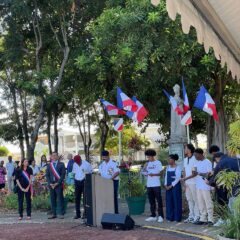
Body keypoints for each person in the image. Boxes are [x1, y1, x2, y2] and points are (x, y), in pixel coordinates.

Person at [194, 148, 214, 226]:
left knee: (208, 202)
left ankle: (210, 219)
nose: (195, 156)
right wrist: (195, 172)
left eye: (196, 155)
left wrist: (199, 173)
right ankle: (203, 219)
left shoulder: (207, 162)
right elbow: (195, 172)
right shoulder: (197, 162)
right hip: (198, 185)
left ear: (200, 154)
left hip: (206, 185)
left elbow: (209, 174)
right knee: (200, 203)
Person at [143, 149, 164, 223]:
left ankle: (161, 216)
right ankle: (153, 215)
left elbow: (161, 173)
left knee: (159, 201)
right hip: (149, 185)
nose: (148, 158)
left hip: (156, 184)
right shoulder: (147, 164)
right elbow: (144, 172)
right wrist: (145, 168)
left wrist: (154, 174)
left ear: (152, 156)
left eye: (149, 157)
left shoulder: (158, 163)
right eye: (147, 157)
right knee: (151, 201)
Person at [182, 144, 200, 223]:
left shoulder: (195, 159)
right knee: (189, 199)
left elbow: (195, 173)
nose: (184, 150)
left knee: (196, 199)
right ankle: (191, 216)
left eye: (185, 148)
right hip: (187, 183)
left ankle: (197, 216)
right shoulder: (185, 159)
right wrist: (184, 182)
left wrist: (184, 179)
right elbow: (185, 171)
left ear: (189, 150)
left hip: (194, 182)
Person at [46, 152, 66, 219]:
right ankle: (54, 214)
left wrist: (58, 183)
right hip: (51, 185)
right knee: (52, 199)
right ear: (51, 157)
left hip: (58, 184)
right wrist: (50, 183)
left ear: (57, 156)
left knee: (60, 199)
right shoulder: (49, 165)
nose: (54, 157)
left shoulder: (61, 164)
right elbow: (47, 175)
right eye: (53, 155)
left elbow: (63, 175)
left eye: (55, 155)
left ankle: (61, 213)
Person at [72, 155, 92, 219]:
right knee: (77, 198)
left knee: (85, 199)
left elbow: (90, 173)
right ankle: (78, 214)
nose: (77, 163)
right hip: (77, 181)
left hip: (84, 181)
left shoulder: (87, 164)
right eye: (76, 162)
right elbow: (74, 173)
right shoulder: (74, 164)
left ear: (81, 159)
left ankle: (85, 214)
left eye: (78, 162)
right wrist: (73, 182)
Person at [164, 154, 182, 222]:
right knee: (169, 202)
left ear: (173, 160)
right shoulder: (168, 167)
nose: (168, 160)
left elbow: (177, 178)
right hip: (168, 187)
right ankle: (169, 217)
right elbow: (166, 176)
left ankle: (177, 218)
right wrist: (165, 185)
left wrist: (171, 186)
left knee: (176, 201)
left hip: (175, 187)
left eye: (169, 159)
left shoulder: (178, 167)